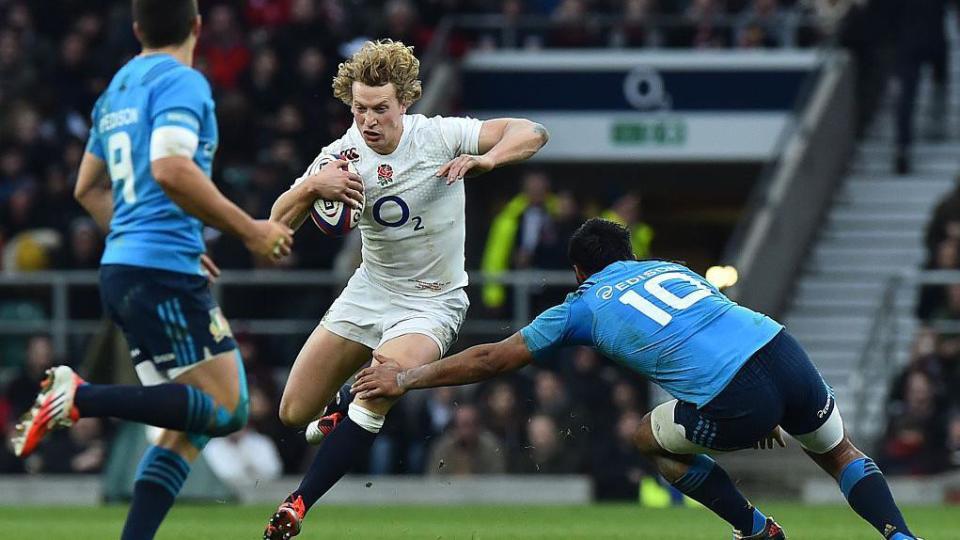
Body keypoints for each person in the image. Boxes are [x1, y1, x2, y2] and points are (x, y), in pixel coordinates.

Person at [9, 2, 357, 539]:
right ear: (196, 27)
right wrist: (251, 230)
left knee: (190, 425)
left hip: (127, 268)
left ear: (135, 29)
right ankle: (77, 396)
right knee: (229, 408)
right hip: (159, 273)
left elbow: (87, 188)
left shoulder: (118, 88)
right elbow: (170, 169)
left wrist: (149, 236)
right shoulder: (182, 84)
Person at [353, 218, 923, 540]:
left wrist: (407, 378)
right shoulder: (670, 267)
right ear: (630, 253)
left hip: (736, 389)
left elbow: (491, 360)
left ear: (580, 271)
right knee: (839, 450)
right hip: (778, 347)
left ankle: (756, 531)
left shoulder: (580, 305)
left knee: (645, 438)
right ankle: (900, 536)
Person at [263, 38, 548, 539]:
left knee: (380, 385)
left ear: (405, 103)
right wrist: (311, 188)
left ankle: (297, 505)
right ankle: (335, 414)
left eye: (380, 109)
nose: (369, 120)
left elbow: (533, 132)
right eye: (359, 109)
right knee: (293, 413)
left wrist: (487, 161)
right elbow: (274, 228)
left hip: (433, 300)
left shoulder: (440, 136)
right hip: (370, 291)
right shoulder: (340, 156)